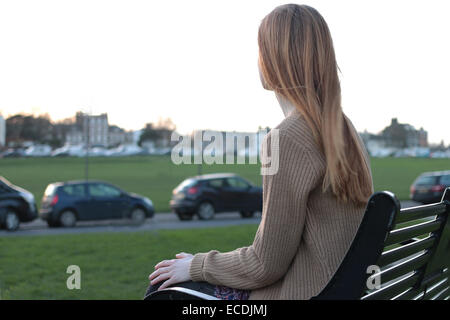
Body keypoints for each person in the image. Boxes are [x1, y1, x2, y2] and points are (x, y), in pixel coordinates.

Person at [145, 3, 374, 300]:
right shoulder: (342, 128)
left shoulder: (288, 137)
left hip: (306, 293)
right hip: (346, 289)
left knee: (162, 288)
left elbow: (265, 265)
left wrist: (197, 265)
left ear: (272, 59)